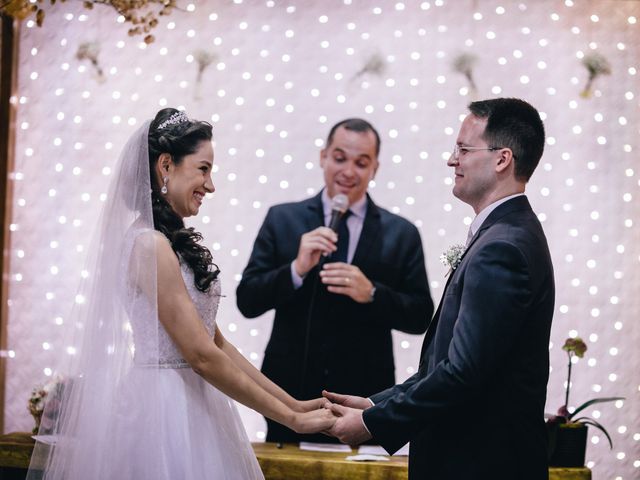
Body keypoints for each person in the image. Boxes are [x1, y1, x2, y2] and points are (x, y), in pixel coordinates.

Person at [27, 108, 334, 480]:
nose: (211, 184)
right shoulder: (148, 245)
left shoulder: (169, 244)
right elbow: (201, 356)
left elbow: (217, 344)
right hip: (162, 410)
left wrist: (294, 405)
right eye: (203, 169)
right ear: (167, 166)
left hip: (196, 401)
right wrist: (289, 420)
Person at [324, 98, 555, 480]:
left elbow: (463, 373)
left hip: (480, 464)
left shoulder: (503, 247)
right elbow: (450, 362)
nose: (452, 160)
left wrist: (372, 423)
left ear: (502, 159)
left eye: (463, 149)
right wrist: (373, 404)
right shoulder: (509, 232)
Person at [236, 118, 434, 443]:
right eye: (340, 158)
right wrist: (296, 270)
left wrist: (372, 293)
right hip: (287, 398)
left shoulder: (402, 234)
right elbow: (247, 300)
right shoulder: (282, 218)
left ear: (376, 168)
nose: (348, 171)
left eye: (361, 162)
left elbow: (420, 316)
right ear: (323, 157)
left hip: (364, 402)